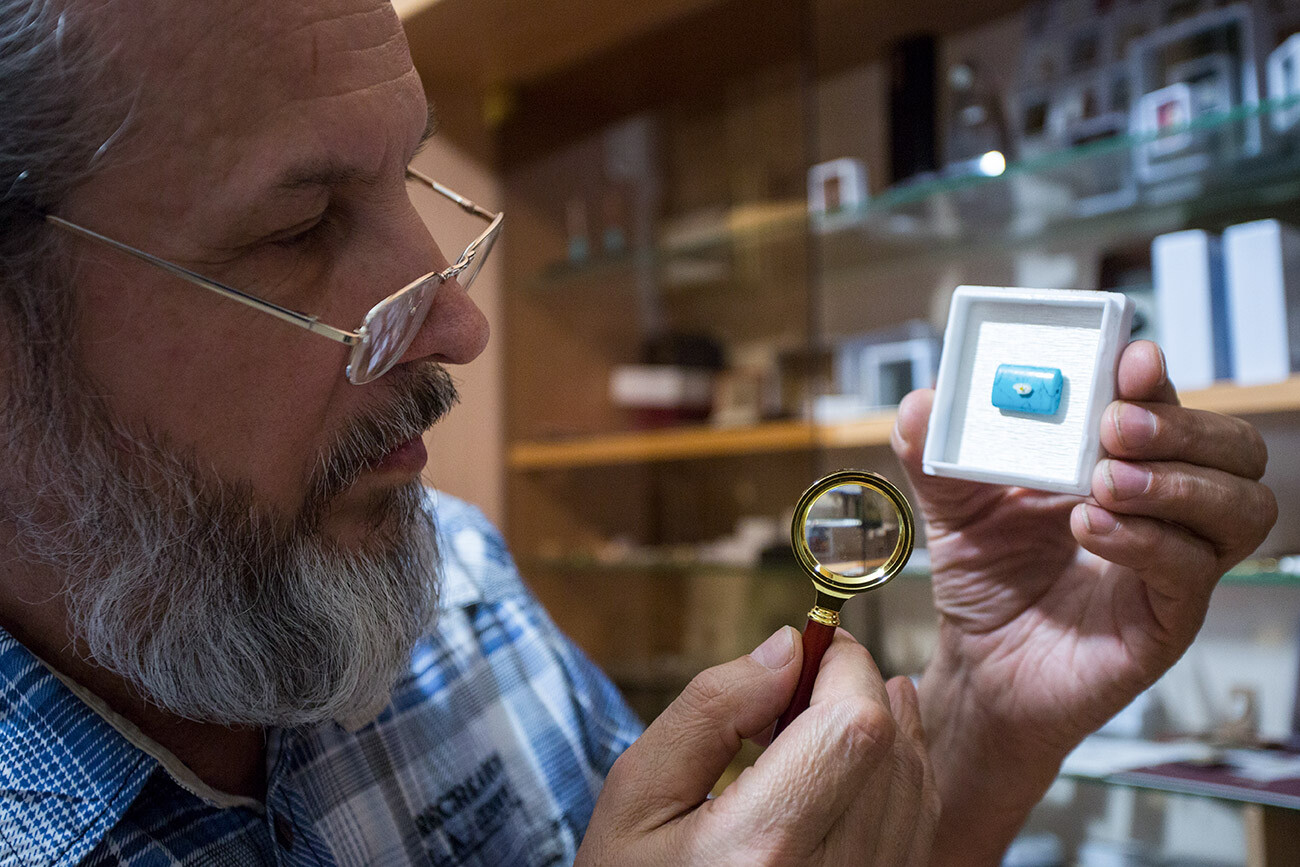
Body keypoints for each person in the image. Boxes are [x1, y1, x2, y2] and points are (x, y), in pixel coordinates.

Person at [0, 1, 1274, 865]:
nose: (458, 323)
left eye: (408, 183)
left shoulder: (460, 592)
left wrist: (987, 709)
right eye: (297, 230)